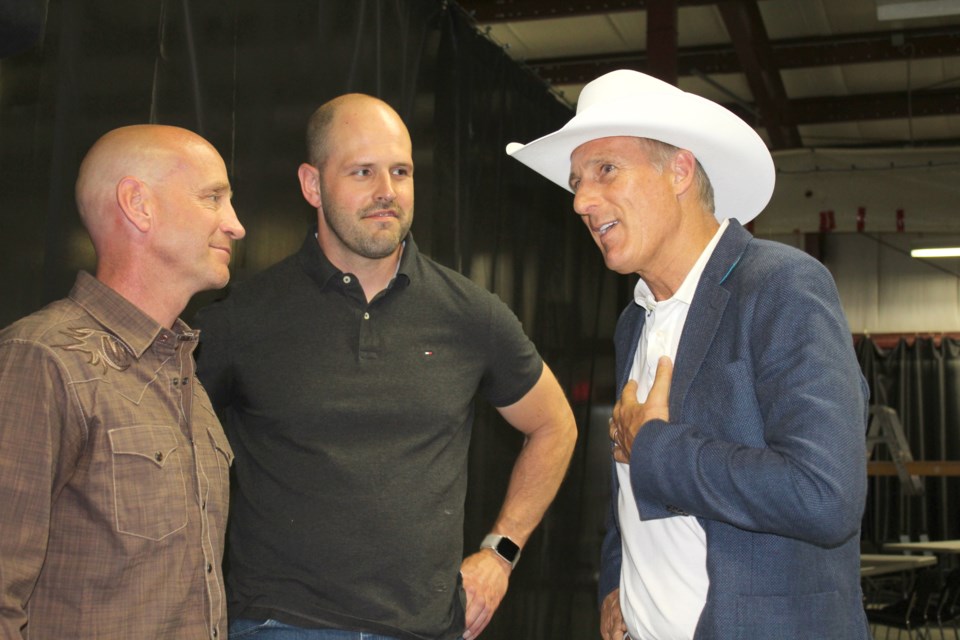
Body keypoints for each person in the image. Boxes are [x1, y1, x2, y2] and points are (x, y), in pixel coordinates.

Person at [192, 93, 577, 640]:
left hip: (426, 627)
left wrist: (502, 552)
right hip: (281, 624)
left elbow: (555, 424)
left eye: (401, 171)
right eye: (362, 172)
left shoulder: (472, 316)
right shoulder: (240, 321)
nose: (387, 193)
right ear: (311, 184)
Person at [507, 70, 869, 639]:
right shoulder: (636, 319)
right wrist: (617, 584)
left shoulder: (782, 287)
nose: (580, 200)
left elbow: (825, 496)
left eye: (606, 170)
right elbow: (627, 482)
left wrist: (658, 447)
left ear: (679, 169)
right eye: (577, 181)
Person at [0, 124, 246, 638]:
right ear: (138, 204)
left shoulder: (184, 377)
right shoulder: (42, 360)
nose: (236, 225)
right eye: (212, 198)